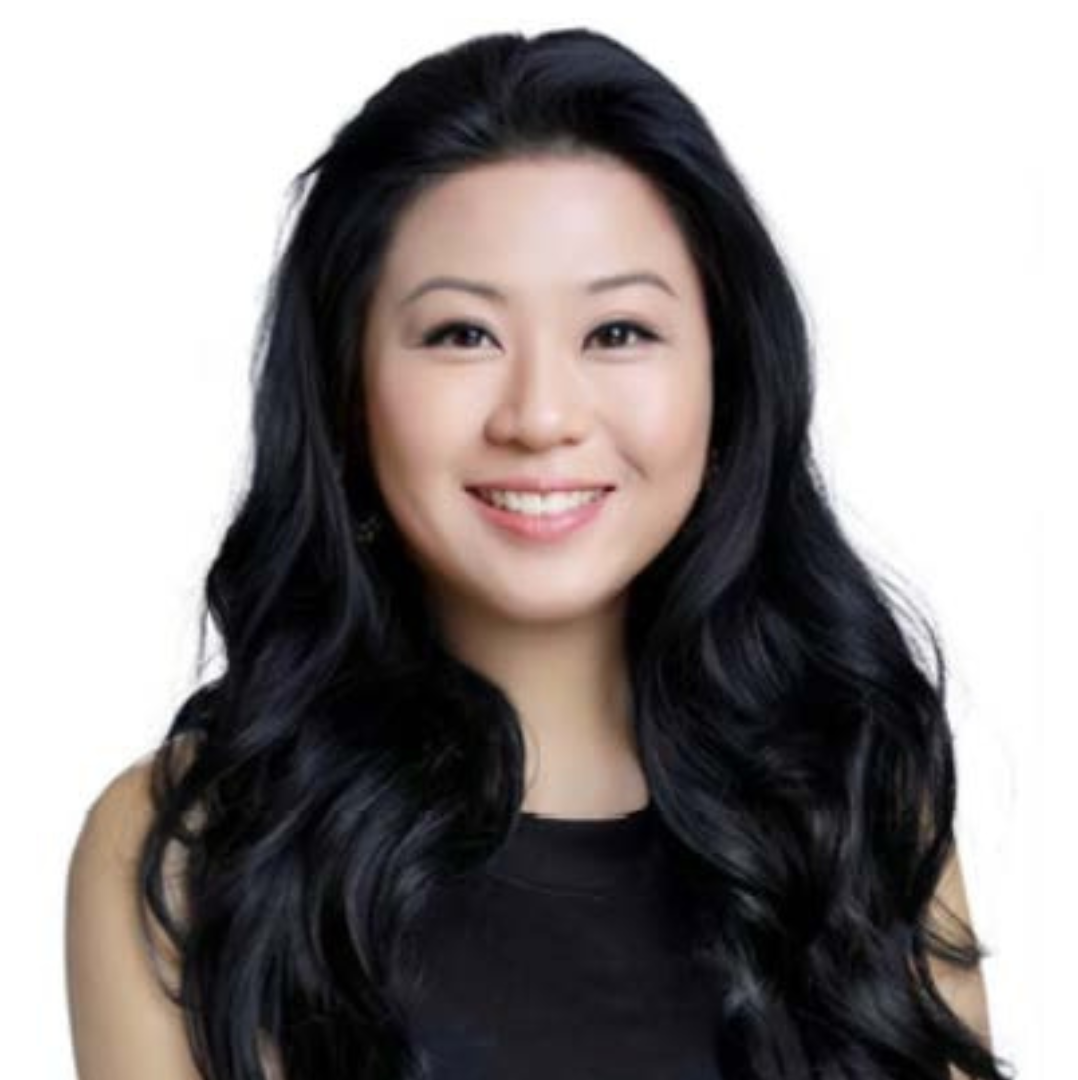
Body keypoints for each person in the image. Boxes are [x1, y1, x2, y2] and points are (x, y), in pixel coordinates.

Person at [65, 27, 1013, 1080]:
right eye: (463, 334)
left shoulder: (858, 803)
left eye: (618, 332)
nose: (542, 415)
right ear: (344, 392)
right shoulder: (195, 849)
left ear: (729, 379)